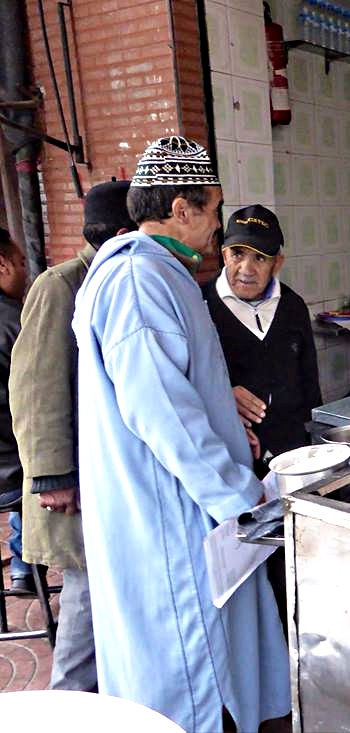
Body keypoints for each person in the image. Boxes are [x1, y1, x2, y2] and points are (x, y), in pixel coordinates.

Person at [71, 137, 289, 732]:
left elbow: (188, 391)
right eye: (214, 211)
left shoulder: (162, 273)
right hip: (171, 513)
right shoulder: (138, 279)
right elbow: (163, 415)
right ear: (181, 209)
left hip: (190, 502)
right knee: (192, 675)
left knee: (221, 660)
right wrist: (243, 504)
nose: (218, 228)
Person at [8, 180, 134, 691]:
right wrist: (53, 477)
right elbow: (35, 390)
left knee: (111, 607)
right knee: (84, 610)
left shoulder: (111, 278)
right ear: (124, 233)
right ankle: (69, 709)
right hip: (73, 489)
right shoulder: (61, 285)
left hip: (107, 477)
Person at [202, 204, 321, 474]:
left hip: (292, 454)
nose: (246, 269)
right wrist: (222, 396)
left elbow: (309, 384)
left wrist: (313, 448)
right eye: (238, 254)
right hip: (230, 455)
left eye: (260, 258)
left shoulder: (293, 307)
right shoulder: (200, 305)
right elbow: (182, 385)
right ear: (224, 254)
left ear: (277, 262)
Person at [0, 230, 28, 592]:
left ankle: (23, 565)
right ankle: (26, 558)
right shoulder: (14, 323)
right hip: (11, 473)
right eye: (21, 263)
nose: (25, 272)